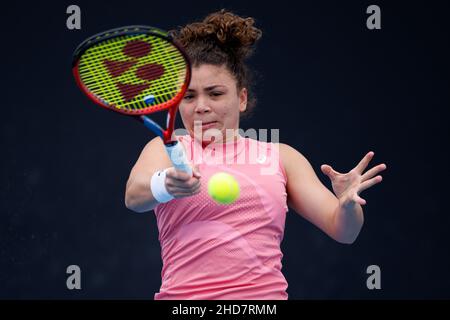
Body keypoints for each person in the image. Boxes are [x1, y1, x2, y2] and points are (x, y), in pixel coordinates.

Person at [124, 9, 387, 300]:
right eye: (188, 96)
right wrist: (165, 183)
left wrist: (348, 205)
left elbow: (344, 231)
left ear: (242, 99)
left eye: (215, 93)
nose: (201, 106)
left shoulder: (281, 157)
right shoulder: (165, 150)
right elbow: (134, 197)